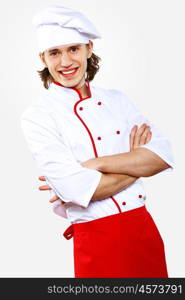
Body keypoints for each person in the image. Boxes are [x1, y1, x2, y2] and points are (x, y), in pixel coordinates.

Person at [21, 4, 174, 278]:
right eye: (55, 52)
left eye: (73, 49)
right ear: (43, 58)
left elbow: (161, 156)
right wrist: (136, 162)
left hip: (143, 231)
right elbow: (78, 190)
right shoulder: (37, 116)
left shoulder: (117, 100)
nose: (66, 62)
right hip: (96, 241)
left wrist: (94, 165)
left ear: (89, 49)